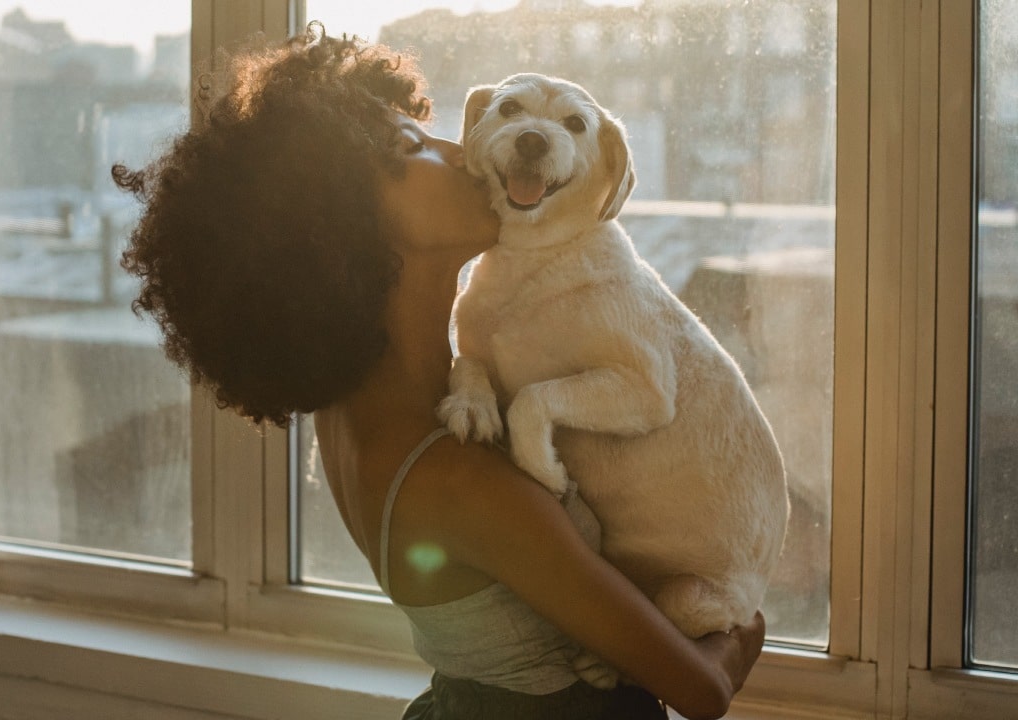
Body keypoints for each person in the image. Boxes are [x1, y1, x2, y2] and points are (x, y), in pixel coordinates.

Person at [115, 26, 765, 720]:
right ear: (342, 222)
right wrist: (742, 633)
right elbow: (701, 690)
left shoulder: (360, 412)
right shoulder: (459, 482)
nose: (458, 151)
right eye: (412, 147)